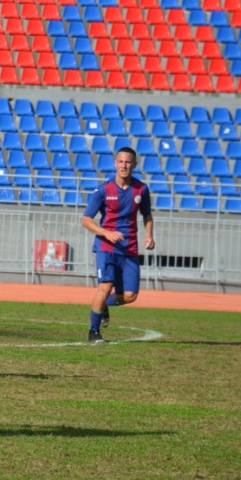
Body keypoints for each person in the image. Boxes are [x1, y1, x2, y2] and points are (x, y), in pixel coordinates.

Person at [81, 146, 155, 343]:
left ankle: (103, 304)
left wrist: (149, 235)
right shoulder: (103, 190)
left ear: (134, 165)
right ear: (115, 163)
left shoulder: (141, 189)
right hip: (106, 247)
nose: (124, 165)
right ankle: (94, 332)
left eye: (128, 162)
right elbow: (86, 219)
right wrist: (107, 233)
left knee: (130, 296)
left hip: (129, 248)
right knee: (105, 286)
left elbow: (147, 214)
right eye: (121, 161)